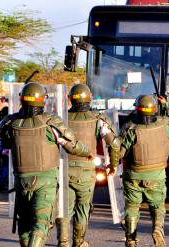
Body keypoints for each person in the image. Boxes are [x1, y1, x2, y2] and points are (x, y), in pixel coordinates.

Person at [0, 82, 91, 247]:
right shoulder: (50, 122)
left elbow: (4, 143)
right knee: (41, 224)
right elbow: (72, 145)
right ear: (43, 101)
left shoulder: (10, 123)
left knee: (24, 224)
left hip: (21, 181)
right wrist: (87, 151)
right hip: (45, 181)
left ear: (21, 100)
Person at [110, 95, 169, 247]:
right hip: (157, 175)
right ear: (154, 109)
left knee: (132, 209)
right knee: (157, 206)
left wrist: (113, 165)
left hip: (134, 175)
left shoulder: (131, 129)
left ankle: (131, 240)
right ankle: (157, 229)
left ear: (137, 110)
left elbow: (119, 151)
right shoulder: (166, 124)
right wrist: (166, 105)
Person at [56, 84, 119, 247]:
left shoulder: (60, 119)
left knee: (64, 207)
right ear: (89, 98)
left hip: (64, 169)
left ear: (70, 99)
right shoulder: (98, 119)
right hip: (86, 171)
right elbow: (115, 144)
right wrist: (113, 164)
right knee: (84, 207)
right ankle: (79, 241)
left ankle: (63, 242)